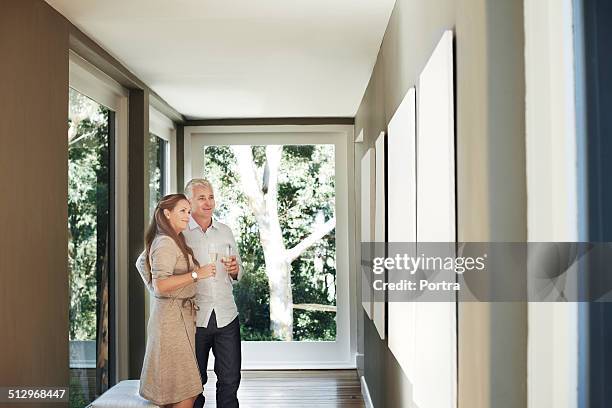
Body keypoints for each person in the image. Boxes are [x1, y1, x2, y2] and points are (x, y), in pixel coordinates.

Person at [138, 194, 216, 408]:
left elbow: (141, 263)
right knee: (185, 390)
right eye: (183, 211)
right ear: (167, 213)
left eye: (188, 212)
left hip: (179, 319)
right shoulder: (164, 242)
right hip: (170, 322)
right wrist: (196, 275)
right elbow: (160, 285)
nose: (187, 215)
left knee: (179, 388)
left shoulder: (173, 239)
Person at [184, 178, 244, 408]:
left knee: (230, 380)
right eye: (201, 198)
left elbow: (239, 272)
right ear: (189, 202)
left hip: (227, 315)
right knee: (194, 384)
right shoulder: (182, 233)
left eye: (210, 197)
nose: (208, 202)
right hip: (195, 319)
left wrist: (236, 270)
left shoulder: (225, 231)